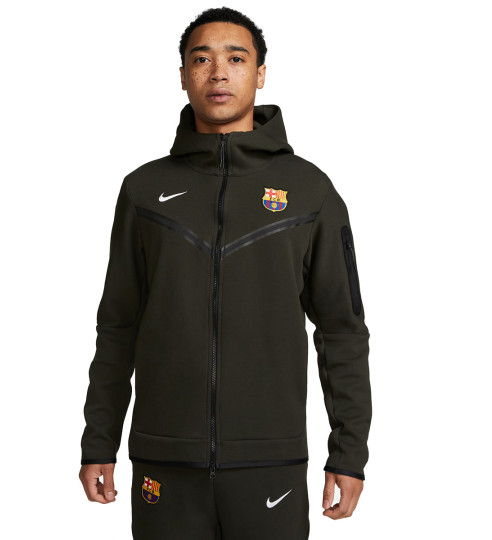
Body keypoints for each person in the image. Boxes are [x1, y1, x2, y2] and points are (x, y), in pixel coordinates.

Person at [78, 7, 372, 538]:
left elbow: (342, 331)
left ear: (260, 74)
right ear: (183, 75)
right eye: (202, 59)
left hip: (270, 460)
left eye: (236, 59)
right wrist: (99, 441)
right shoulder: (143, 191)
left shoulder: (310, 191)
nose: (218, 72)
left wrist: (349, 453)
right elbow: (117, 324)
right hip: (164, 459)